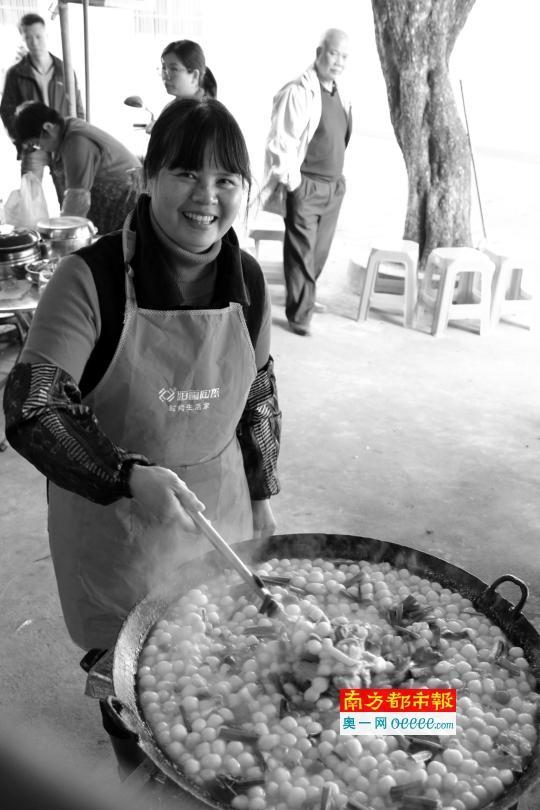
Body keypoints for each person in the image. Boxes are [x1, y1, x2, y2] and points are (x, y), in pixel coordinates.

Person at [3, 96, 281, 655]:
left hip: (216, 522)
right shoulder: (89, 280)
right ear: (149, 178)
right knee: (131, 694)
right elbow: (32, 409)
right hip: (116, 533)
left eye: (227, 179)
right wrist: (128, 476)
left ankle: (404, 715)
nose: (207, 197)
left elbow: (259, 395)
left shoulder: (247, 279)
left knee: (224, 676)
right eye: (186, 174)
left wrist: (261, 496)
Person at [261, 28, 352, 336]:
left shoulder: (342, 93)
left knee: (319, 253)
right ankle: (300, 315)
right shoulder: (300, 91)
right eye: (333, 53)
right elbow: (281, 141)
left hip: (333, 187)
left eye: (344, 56)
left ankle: (305, 298)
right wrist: (294, 184)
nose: (338, 61)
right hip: (307, 186)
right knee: (301, 252)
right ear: (319, 53)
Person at [14, 101, 142, 235]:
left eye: (36, 144)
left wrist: (61, 234)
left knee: (116, 248)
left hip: (126, 199)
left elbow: (77, 198)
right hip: (114, 201)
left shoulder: (76, 142)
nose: (40, 149)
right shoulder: (65, 132)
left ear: (48, 127)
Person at [0, 12, 85, 201]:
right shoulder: (16, 73)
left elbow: (77, 106)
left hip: (61, 141)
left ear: (46, 34)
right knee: (30, 197)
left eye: (38, 36)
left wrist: (77, 137)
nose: (34, 42)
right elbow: (6, 111)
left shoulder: (64, 69)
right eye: (28, 37)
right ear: (22, 38)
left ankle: (68, 230)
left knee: (68, 194)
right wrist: (22, 138)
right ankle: (32, 231)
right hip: (33, 146)